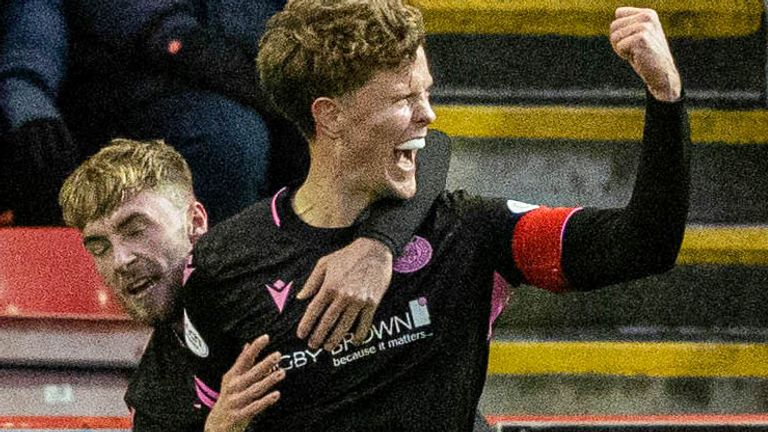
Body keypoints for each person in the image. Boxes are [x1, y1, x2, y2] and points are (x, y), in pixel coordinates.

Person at [180, 0, 690, 430]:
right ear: (330, 115)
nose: (430, 114)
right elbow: (176, 413)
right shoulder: (224, 265)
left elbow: (643, 243)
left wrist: (666, 96)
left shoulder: (467, 231)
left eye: (427, 90)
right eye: (406, 97)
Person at [58, 135, 451, 430]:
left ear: (195, 222)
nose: (121, 260)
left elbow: (428, 146)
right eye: (99, 246)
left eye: (136, 228)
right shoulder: (156, 397)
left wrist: (376, 246)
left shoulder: (280, 245)